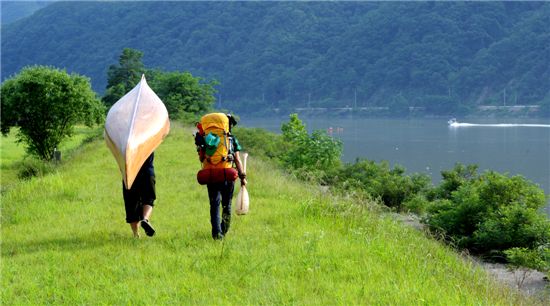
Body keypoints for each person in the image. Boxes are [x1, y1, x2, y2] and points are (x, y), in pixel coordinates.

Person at [204, 115, 247, 240]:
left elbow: (202, 157)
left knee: (214, 204)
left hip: (211, 175)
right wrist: (242, 177)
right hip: (227, 175)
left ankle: (217, 234)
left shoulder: (207, 138)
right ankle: (224, 230)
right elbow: (238, 160)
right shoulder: (231, 140)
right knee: (226, 205)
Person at [122, 152, 157, 238]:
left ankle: (136, 234)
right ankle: (145, 219)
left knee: (131, 204)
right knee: (149, 199)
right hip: (147, 172)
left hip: (129, 174)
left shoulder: (124, 141)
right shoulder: (148, 138)